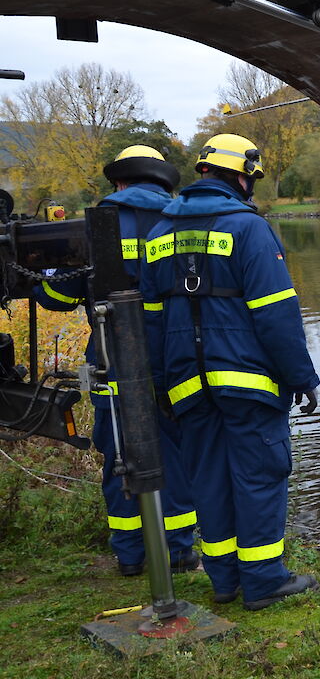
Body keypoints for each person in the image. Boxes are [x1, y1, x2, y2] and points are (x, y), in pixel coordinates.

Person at [140, 134, 320, 611]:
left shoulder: (159, 233)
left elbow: (151, 321)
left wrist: (162, 386)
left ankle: (224, 581)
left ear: (202, 173)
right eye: (251, 178)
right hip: (249, 384)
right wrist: (301, 378)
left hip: (186, 386)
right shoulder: (248, 229)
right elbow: (276, 314)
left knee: (209, 480)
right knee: (260, 475)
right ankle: (263, 581)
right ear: (242, 175)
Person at [34, 145, 198, 576]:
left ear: (119, 183)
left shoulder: (93, 225)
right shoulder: (180, 221)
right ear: (162, 181)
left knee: (119, 455)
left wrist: (39, 274)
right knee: (174, 455)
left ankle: (130, 556)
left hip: (110, 359)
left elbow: (55, 298)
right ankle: (180, 551)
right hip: (172, 360)